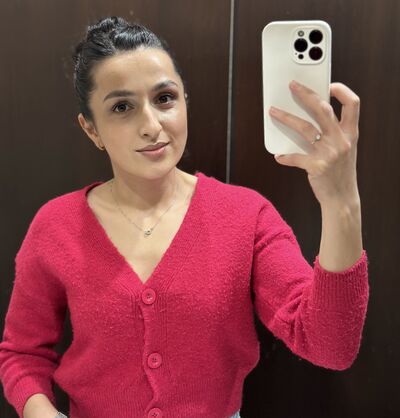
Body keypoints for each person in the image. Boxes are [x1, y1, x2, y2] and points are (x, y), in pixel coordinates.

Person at [0, 16, 369, 418]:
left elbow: (330, 346)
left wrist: (341, 202)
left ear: (184, 102)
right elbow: (22, 353)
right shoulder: (55, 226)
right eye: (122, 107)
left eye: (164, 98)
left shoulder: (247, 216)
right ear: (92, 130)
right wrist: (40, 411)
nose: (151, 125)